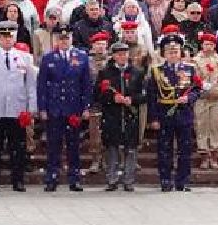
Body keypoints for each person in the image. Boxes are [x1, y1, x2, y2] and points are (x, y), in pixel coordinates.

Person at [0, 21, 36, 192]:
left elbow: (30, 84)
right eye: (4, 36)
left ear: (15, 37)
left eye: (10, 36)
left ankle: (18, 180)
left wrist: (31, 108)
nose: (7, 39)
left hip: (17, 109)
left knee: (17, 147)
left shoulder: (25, 57)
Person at [36, 26, 93, 191]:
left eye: (66, 38)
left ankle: (74, 178)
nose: (64, 41)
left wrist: (86, 107)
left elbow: (86, 85)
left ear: (71, 39)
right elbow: (42, 86)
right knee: (53, 145)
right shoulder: (48, 58)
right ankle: (52, 177)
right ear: (55, 40)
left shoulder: (81, 57)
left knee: (73, 145)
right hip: (54, 108)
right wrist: (43, 108)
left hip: (73, 107)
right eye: (61, 39)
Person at [148, 33, 199, 191]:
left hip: (184, 113)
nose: (173, 54)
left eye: (176, 51)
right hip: (165, 112)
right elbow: (151, 96)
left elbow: (197, 89)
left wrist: (189, 98)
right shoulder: (157, 71)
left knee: (185, 149)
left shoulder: (190, 69)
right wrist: (154, 118)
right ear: (164, 53)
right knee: (164, 149)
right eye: (170, 51)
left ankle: (182, 180)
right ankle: (165, 179)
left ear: (180, 52)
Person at [95, 39, 145, 191]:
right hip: (112, 115)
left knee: (130, 148)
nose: (123, 57)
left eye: (125, 54)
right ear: (114, 56)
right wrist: (112, 98)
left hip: (130, 115)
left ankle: (128, 180)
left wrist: (133, 99)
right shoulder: (105, 73)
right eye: (120, 54)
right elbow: (98, 95)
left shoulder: (137, 72)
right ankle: (112, 179)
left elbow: (144, 94)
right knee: (112, 148)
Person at [191, 34, 218, 169]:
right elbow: (193, 77)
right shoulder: (195, 61)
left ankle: (214, 156)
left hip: (217, 98)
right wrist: (201, 84)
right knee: (201, 126)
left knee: (216, 126)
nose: (209, 47)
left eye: (211, 44)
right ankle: (204, 156)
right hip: (201, 99)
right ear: (202, 45)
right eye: (206, 44)